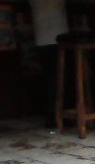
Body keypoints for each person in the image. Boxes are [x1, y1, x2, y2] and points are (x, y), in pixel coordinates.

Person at [29, 0, 68, 128]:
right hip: (58, 37)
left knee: (49, 79)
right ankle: (60, 115)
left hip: (41, 38)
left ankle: (51, 116)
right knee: (59, 80)